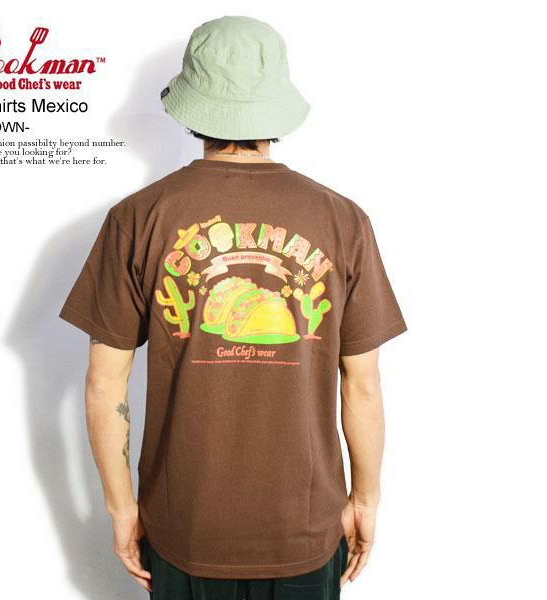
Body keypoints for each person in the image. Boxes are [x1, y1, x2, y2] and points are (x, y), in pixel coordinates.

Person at [59, 15, 407, 600]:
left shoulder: (138, 217)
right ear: (276, 108)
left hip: (183, 529)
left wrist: (121, 510)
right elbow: (363, 386)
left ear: (193, 109)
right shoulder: (342, 220)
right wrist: (365, 501)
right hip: (305, 528)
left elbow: (103, 384)